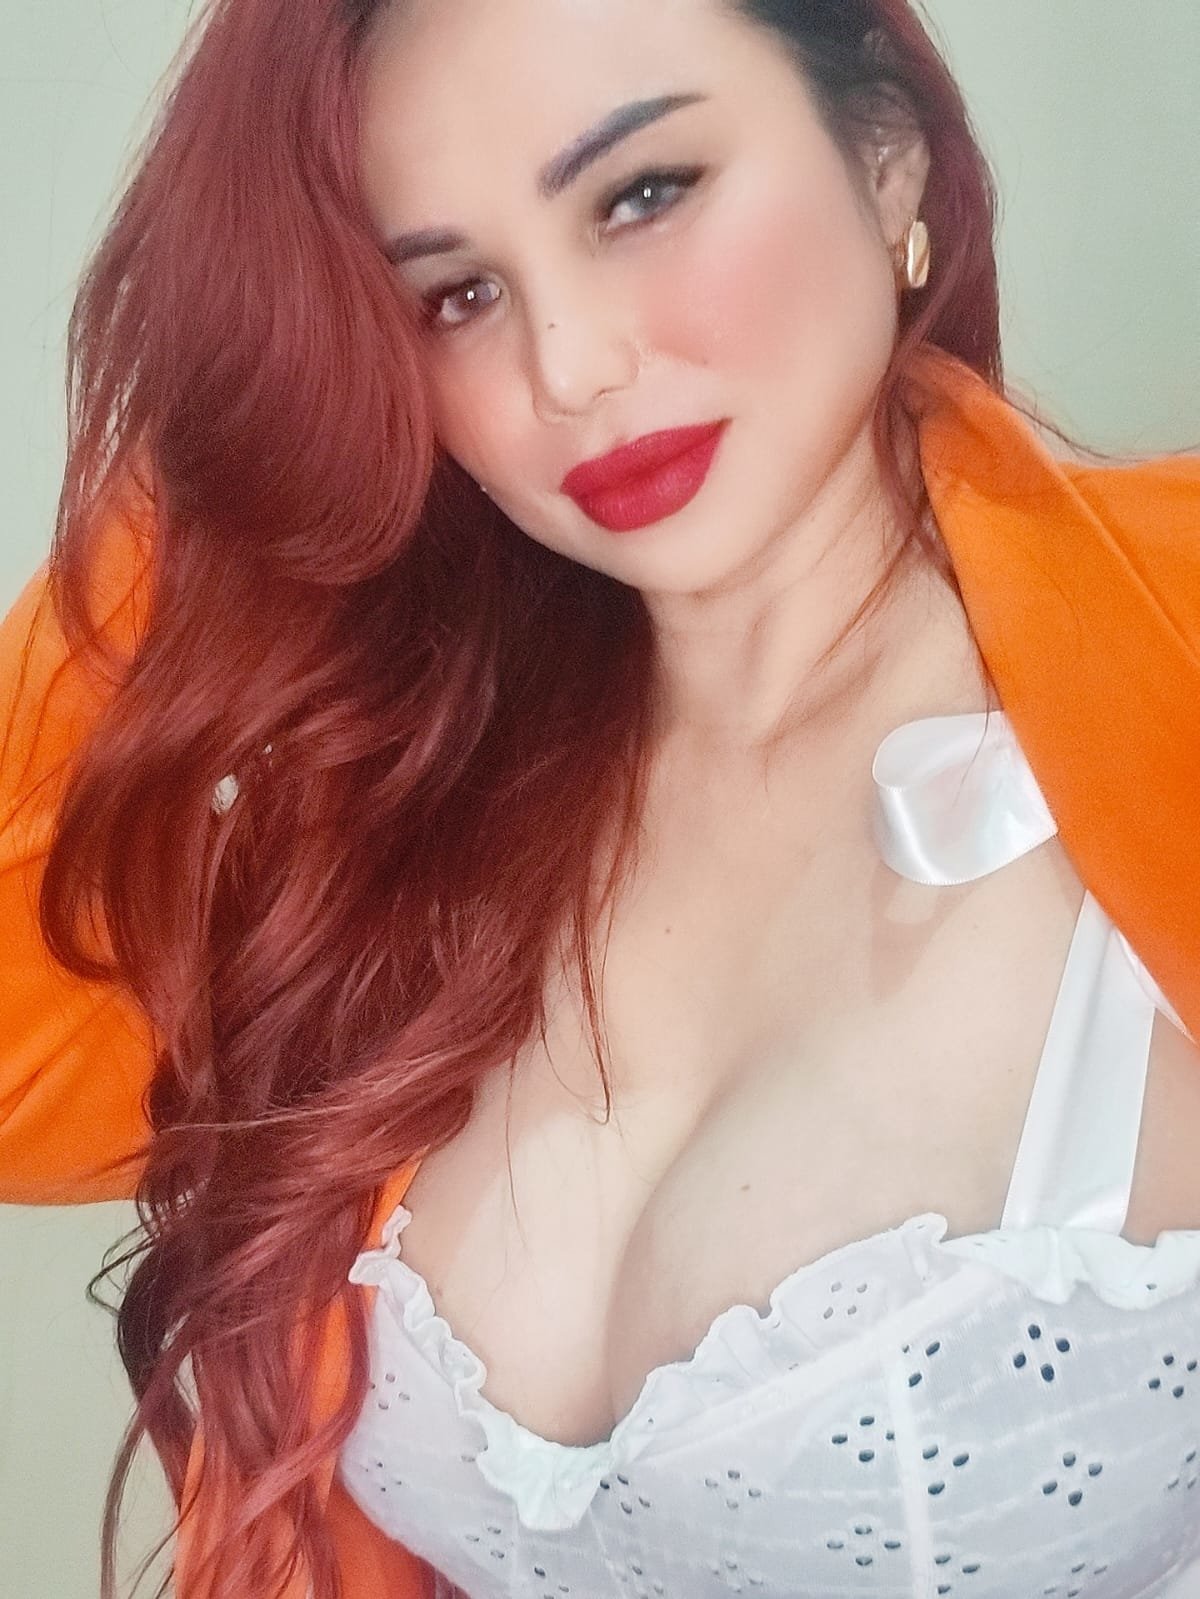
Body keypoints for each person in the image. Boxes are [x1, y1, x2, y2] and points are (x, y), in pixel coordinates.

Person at [2, 0, 1199, 1596]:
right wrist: (253, 435)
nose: (570, 368)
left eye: (643, 195)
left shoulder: (1165, 657)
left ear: (888, 153)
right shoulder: (402, 821)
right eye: (455, 294)